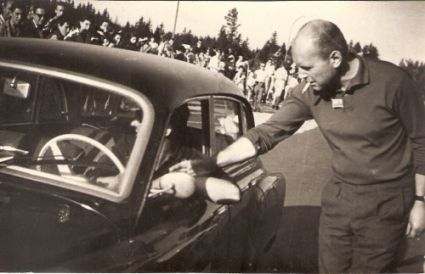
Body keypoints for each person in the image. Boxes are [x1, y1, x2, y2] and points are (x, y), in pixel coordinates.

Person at [170, 19, 425, 273]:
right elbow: (267, 132)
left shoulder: (393, 82)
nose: (300, 75)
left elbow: (422, 142)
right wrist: (213, 162)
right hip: (340, 197)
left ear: (335, 58)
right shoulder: (308, 91)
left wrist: (420, 200)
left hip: (387, 200)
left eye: (307, 67)